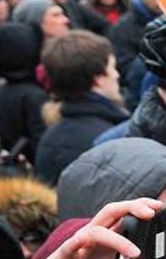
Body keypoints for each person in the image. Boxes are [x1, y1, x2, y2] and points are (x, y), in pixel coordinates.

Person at [35, 31, 128, 183]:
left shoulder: (50, 135)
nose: (117, 75)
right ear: (98, 78)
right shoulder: (109, 136)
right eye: (112, 68)